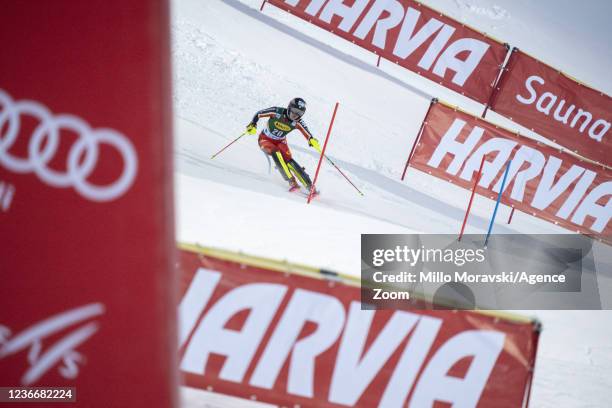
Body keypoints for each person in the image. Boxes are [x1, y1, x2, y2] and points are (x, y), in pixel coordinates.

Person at [246, 97, 321, 192]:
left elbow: (307, 133)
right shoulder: (277, 112)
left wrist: (311, 140)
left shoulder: (298, 122)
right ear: (289, 107)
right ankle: (291, 181)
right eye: (294, 111)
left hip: (281, 141)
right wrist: (253, 124)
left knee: (289, 160)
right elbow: (259, 113)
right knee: (275, 152)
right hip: (265, 139)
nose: (295, 115)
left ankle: (309, 186)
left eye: (299, 113)